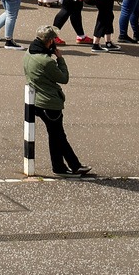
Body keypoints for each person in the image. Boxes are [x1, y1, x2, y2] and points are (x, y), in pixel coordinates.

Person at [24, 27, 92, 177]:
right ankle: (74, 166)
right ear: (49, 41)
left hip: (36, 101)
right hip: (49, 104)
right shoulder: (46, 61)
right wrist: (60, 59)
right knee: (59, 136)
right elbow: (63, 78)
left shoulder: (29, 53)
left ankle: (59, 167)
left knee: (55, 136)